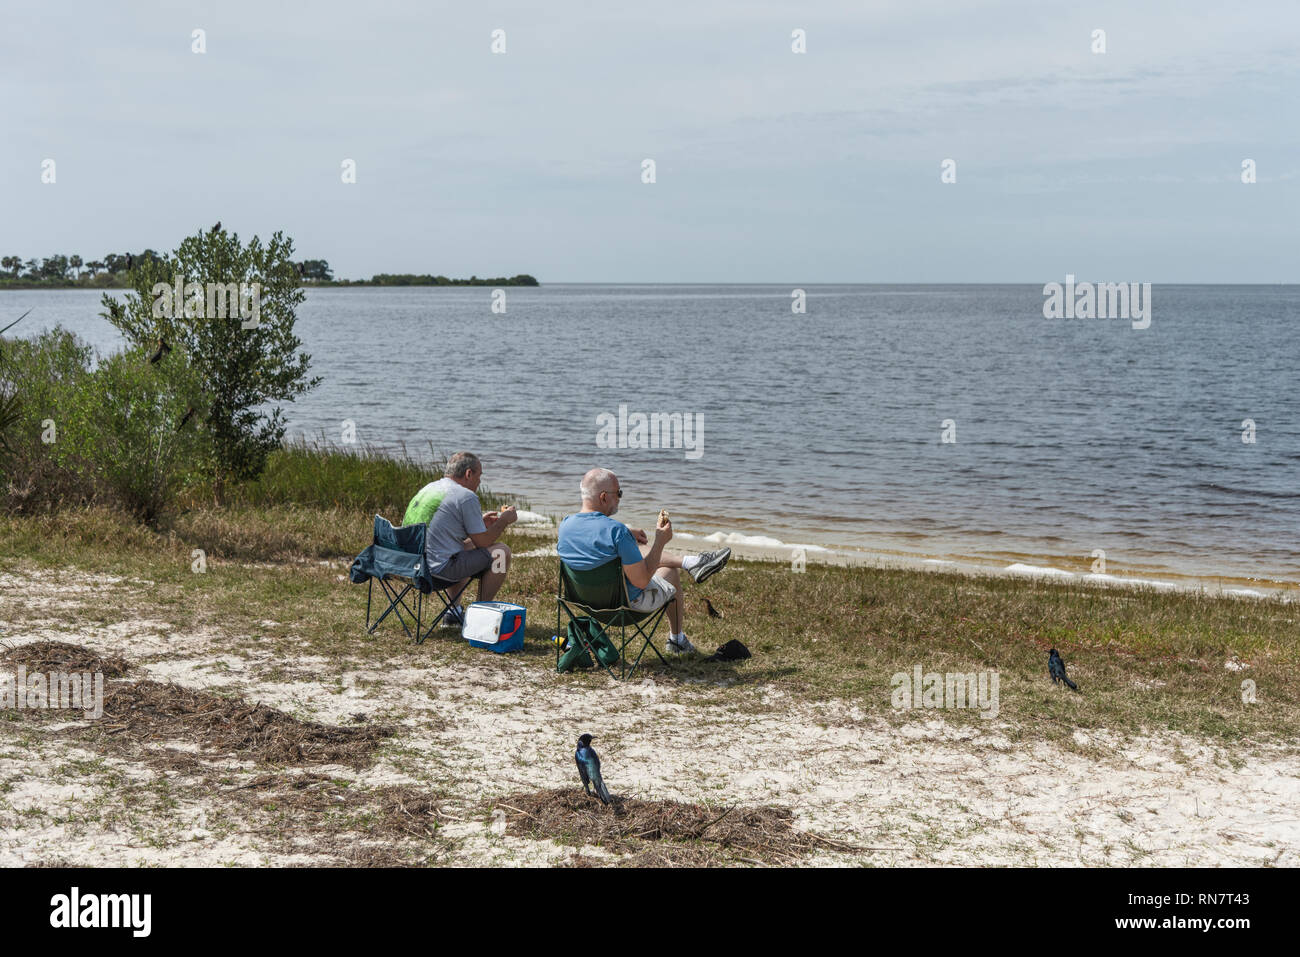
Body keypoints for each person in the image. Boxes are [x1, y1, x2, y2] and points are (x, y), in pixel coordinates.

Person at [557, 467, 731, 654]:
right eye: (619, 493)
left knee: (635, 547)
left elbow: (595, 539)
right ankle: (677, 640)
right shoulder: (616, 532)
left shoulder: (566, 525)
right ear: (604, 497)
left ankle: (692, 562)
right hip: (624, 608)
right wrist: (660, 542)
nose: (620, 498)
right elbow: (642, 581)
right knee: (670, 572)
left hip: (586, 603)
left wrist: (628, 535)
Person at [403, 451, 515, 623]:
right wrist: (504, 521)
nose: (480, 481)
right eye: (479, 476)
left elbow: (443, 528)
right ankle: (480, 615)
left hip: (409, 566)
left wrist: (480, 524)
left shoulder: (429, 488)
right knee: (502, 552)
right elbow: (483, 542)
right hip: (436, 573)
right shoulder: (466, 496)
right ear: (469, 474)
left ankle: (453, 612)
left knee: (463, 547)